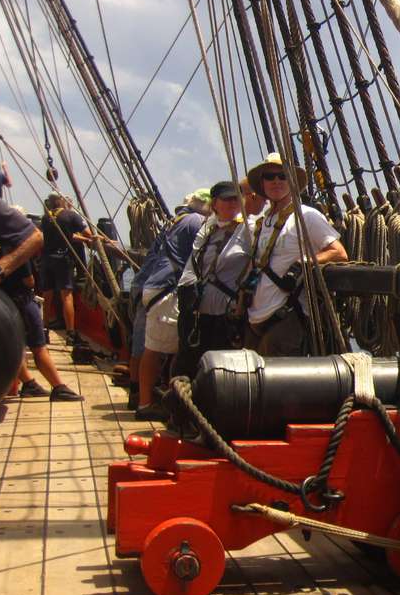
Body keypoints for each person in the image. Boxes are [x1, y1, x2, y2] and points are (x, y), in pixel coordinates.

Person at [233, 153, 346, 356]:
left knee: (274, 385)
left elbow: (338, 253)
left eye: (283, 175)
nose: (276, 180)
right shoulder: (262, 222)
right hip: (253, 319)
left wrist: (304, 262)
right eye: (269, 176)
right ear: (262, 183)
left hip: (285, 317)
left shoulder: (306, 216)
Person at [0, 189, 83, 401]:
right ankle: (59, 386)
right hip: (21, 299)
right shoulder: (16, 252)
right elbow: (29, 280)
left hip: (3, 298)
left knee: (18, 344)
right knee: (38, 345)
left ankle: (28, 382)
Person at [130, 197, 206, 419]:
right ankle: (148, 404)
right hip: (167, 290)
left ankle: (139, 395)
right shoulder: (195, 221)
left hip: (152, 285)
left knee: (148, 346)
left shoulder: (177, 220)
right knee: (169, 350)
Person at [172, 181, 248, 378]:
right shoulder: (208, 228)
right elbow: (192, 266)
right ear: (215, 203)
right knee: (190, 364)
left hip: (225, 315)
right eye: (227, 199)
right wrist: (187, 301)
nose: (233, 203)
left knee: (220, 370)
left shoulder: (248, 230)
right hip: (198, 313)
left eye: (236, 199)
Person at [39, 193, 93, 342]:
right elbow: (88, 234)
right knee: (66, 296)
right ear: (62, 202)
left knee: (47, 295)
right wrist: (98, 239)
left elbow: (64, 236)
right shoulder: (70, 216)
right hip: (63, 260)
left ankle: (44, 329)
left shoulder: (46, 218)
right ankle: (70, 332)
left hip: (47, 260)